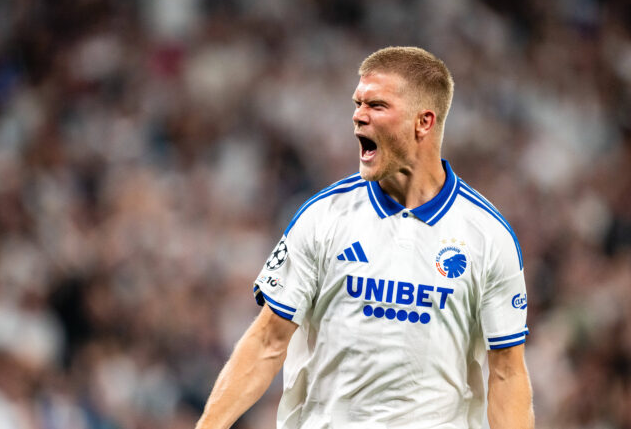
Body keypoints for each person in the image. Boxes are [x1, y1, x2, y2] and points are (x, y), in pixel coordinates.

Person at [195, 46, 534, 429]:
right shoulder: (323, 216)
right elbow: (267, 342)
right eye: (357, 103)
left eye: (376, 105)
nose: (358, 116)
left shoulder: (488, 235)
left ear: (423, 122)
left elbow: (507, 372)